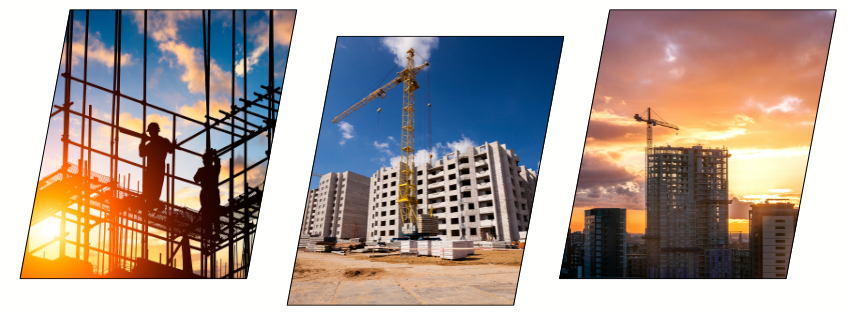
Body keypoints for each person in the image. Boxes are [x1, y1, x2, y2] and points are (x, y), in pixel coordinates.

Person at [138, 122, 174, 207]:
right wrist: (143, 142)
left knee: (152, 189)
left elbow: (141, 154)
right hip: (157, 170)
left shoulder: (154, 143)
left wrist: (142, 141)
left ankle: (150, 203)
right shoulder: (163, 142)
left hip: (154, 170)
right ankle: (151, 203)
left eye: (150, 132)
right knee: (153, 189)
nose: (150, 133)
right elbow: (171, 150)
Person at [194, 148, 222, 240]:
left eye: (204, 160)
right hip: (213, 193)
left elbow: (195, 179)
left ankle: (209, 233)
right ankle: (216, 234)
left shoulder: (202, 170)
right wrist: (215, 155)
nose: (203, 162)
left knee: (207, 214)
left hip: (206, 193)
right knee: (214, 215)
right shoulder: (214, 169)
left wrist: (213, 156)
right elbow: (217, 163)